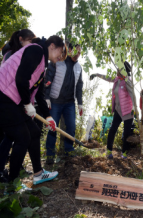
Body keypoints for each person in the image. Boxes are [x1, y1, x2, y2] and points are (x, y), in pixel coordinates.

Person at [0, 35, 66, 185]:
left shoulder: (42, 64)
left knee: (34, 132)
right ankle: (12, 184)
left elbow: (39, 94)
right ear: (52, 46)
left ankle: (38, 174)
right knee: (23, 137)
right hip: (3, 97)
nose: (60, 57)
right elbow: (21, 79)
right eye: (60, 53)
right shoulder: (36, 51)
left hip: (12, 101)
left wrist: (48, 117)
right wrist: (26, 104)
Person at [0, 29, 36, 180]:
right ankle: (3, 170)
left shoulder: (21, 53)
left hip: (15, 102)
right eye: (30, 42)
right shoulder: (11, 55)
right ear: (21, 40)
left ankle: (15, 165)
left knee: (12, 137)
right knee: (11, 137)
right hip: (7, 102)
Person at [44, 43, 83, 164]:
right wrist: (46, 97)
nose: (77, 54)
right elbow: (48, 78)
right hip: (55, 101)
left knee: (71, 127)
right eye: (75, 51)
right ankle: (50, 154)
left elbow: (79, 86)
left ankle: (69, 149)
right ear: (69, 50)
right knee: (52, 127)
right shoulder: (58, 62)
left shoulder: (78, 68)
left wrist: (80, 103)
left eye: (79, 52)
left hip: (70, 103)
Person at [90, 61, 134, 159]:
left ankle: (124, 153)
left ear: (124, 71)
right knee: (112, 129)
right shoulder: (117, 79)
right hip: (118, 110)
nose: (117, 70)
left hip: (128, 111)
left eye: (119, 69)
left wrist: (135, 108)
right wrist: (96, 75)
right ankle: (109, 151)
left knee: (127, 133)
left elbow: (132, 95)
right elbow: (107, 77)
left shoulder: (128, 81)